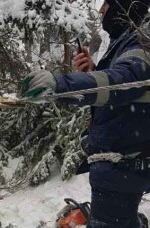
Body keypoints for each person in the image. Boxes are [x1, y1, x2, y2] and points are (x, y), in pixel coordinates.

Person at [23, 0, 150, 227]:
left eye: (107, 4)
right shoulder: (126, 41)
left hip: (123, 166)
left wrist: (61, 85)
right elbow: (122, 89)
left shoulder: (142, 41)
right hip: (118, 167)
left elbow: (123, 82)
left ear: (124, 7)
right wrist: (93, 71)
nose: (101, 10)